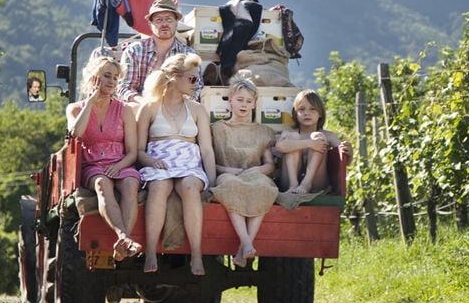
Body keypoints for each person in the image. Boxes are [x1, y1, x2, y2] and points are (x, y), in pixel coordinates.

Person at [136, 53, 216, 276]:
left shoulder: (197, 109)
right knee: (159, 186)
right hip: (158, 162)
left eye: (197, 79)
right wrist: (151, 161)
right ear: (173, 77)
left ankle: (197, 254)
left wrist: (212, 181)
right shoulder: (149, 108)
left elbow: (207, 150)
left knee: (190, 187)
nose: (196, 84)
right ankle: (150, 252)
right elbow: (139, 151)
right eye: (192, 79)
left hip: (189, 163)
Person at [66, 55, 142, 261]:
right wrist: (90, 103)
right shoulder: (75, 108)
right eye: (106, 75)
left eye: (116, 77)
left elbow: (133, 152)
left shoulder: (124, 110)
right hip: (93, 164)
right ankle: (124, 237)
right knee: (102, 184)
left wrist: (119, 166)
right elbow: (76, 134)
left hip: (121, 162)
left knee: (130, 185)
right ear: (94, 77)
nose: (111, 81)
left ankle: (123, 242)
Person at [210, 79, 277, 268]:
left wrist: (258, 170)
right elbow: (211, 162)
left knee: (264, 187)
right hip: (228, 174)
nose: (244, 105)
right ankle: (246, 243)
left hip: (255, 175)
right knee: (231, 185)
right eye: (240, 100)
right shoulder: (218, 128)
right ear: (230, 100)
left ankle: (244, 246)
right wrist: (231, 170)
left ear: (255, 104)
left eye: (249, 101)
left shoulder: (263, 131)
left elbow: (269, 164)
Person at [116, 0, 202, 104]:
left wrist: (177, 107)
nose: (164, 24)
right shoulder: (134, 51)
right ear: (150, 24)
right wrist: (146, 105)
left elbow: (196, 89)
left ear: (176, 22)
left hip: (178, 113)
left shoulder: (188, 55)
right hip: (141, 111)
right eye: (158, 20)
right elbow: (125, 87)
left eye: (169, 19)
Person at [275, 89, 352, 195]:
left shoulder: (329, 135)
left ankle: (306, 184)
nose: (307, 113)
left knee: (318, 136)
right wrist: (310, 143)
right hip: (289, 185)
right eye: (301, 109)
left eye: (312, 109)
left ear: (320, 113)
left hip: (316, 185)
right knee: (292, 137)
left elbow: (344, 162)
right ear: (295, 113)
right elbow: (280, 147)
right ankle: (293, 185)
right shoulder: (289, 133)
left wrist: (349, 153)